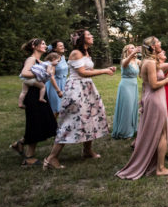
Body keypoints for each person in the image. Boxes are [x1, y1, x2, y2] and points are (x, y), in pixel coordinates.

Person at [43, 29, 116, 170]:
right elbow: (82, 73)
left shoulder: (86, 53)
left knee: (91, 117)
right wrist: (105, 71)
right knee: (70, 122)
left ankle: (87, 150)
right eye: (89, 35)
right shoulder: (75, 53)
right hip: (76, 90)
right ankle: (51, 158)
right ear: (82, 39)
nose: (92, 36)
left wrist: (106, 69)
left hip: (87, 89)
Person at [116, 36, 168, 179]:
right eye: (158, 42)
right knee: (162, 133)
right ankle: (160, 168)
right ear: (153, 46)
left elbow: (147, 84)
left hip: (154, 98)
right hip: (156, 99)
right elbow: (154, 85)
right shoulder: (149, 62)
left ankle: (156, 164)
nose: (161, 43)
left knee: (159, 132)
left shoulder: (151, 61)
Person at [10, 38, 57, 166]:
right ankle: (28, 158)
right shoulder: (31, 59)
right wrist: (40, 73)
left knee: (41, 122)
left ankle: (19, 144)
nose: (45, 45)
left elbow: (48, 74)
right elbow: (24, 73)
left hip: (40, 93)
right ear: (34, 46)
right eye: (42, 43)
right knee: (35, 123)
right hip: (33, 94)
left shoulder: (41, 61)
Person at [111, 44, 142, 139]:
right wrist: (134, 52)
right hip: (125, 85)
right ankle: (125, 132)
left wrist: (144, 52)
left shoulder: (137, 61)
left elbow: (146, 64)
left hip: (134, 85)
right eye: (131, 48)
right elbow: (125, 64)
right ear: (127, 51)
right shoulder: (125, 60)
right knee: (127, 107)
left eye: (134, 47)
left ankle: (132, 129)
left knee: (133, 107)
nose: (134, 49)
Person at [45, 40, 69, 117]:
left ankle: (54, 127)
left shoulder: (63, 57)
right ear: (55, 49)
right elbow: (51, 76)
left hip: (63, 83)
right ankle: (50, 127)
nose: (63, 47)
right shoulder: (53, 58)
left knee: (61, 109)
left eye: (63, 45)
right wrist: (58, 90)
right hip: (54, 85)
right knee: (55, 109)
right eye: (60, 46)